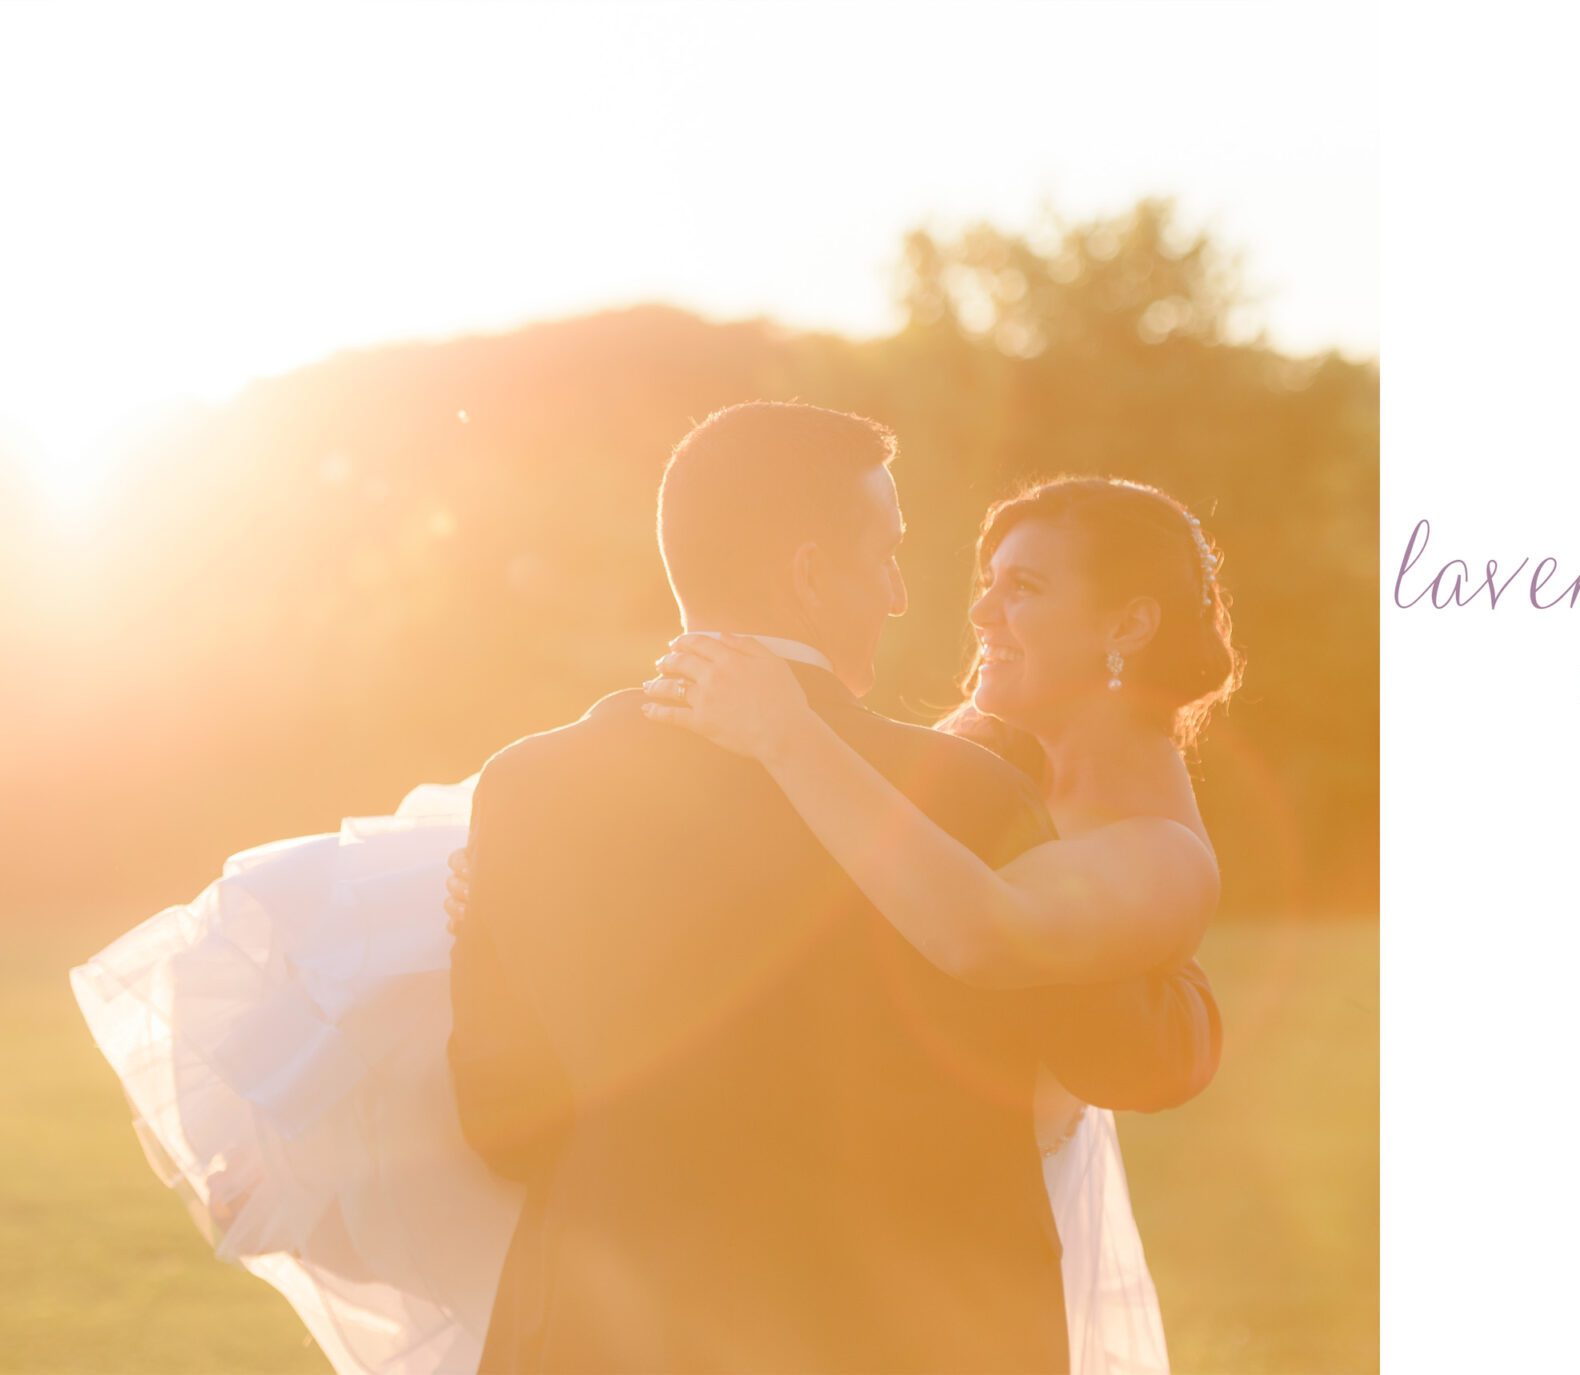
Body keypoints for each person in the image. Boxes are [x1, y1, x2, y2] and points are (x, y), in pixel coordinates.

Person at [72, 401, 1222, 1375]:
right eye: (886, 556)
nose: (901, 596)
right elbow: (1109, 1044)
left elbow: (504, 1128)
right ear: (812, 572)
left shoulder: (526, 793)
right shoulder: (972, 797)